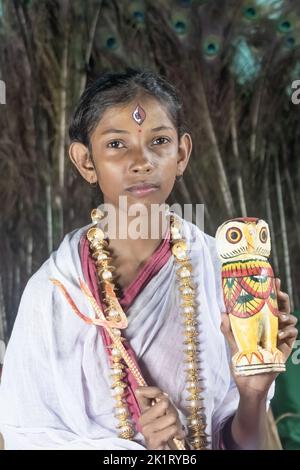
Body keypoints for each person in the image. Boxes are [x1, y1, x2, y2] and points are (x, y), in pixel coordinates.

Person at [0, 70, 297, 450]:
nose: (142, 161)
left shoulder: (223, 272)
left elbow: (253, 442)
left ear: (182, 153)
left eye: (159, 141)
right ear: (85, 161)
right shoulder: (54, 294)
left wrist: (254, 392)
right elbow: (28, 439)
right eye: (116, 145)